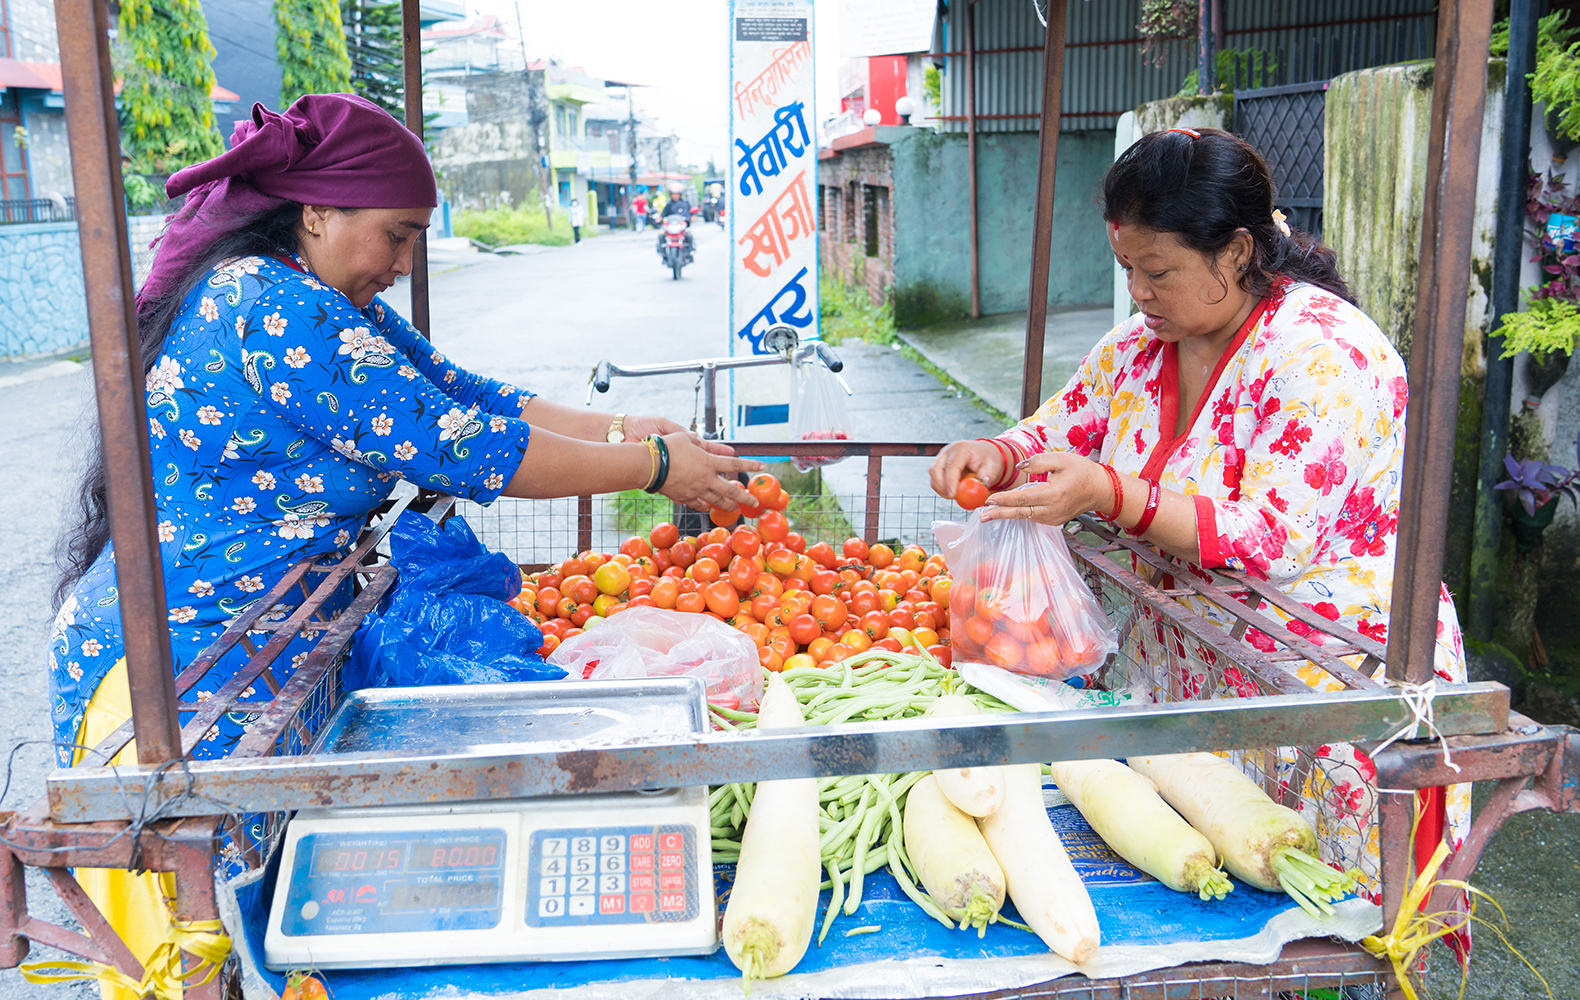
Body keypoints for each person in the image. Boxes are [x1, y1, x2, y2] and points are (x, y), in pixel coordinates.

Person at [48, 94, 760, 995]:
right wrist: (652, 467)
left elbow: (473, 397)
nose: (403, 261)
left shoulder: (316, 295)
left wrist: (625, 426)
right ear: (316, 212)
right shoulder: (266, 305)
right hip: (184, 669)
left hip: (266, 645)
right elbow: (459, 445)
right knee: (207, 955)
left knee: (261, 941)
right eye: (396, 234)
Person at [928, 126, 1468, 901]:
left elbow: (1272, 538)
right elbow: (1063, 424)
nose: (1140, 292)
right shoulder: (1139, 347)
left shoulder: (1323, 354)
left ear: (1238, 251)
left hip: (1323, 696)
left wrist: (1108, 494)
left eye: (1159, 271)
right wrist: (995, 453)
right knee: (1213, 906)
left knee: (1339, 920)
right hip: (1194, 686)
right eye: (1127, 270)